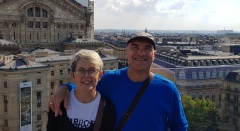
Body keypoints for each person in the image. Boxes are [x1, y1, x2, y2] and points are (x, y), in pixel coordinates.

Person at [49, 32, 188, 131]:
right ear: (126, 52)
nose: (141, 53)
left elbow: (180, 127)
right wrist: (65, 88)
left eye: (147, 48)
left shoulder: (168, 89)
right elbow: (86, 85)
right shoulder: (110, 80)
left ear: (154, 54)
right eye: (135, 48)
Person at [47, 49, 116, 131]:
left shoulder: (107, 108)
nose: (86, 75)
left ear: (100, 75)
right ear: (72, 75)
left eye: (92, 70)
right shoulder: (58, 103)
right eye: (81, 70)